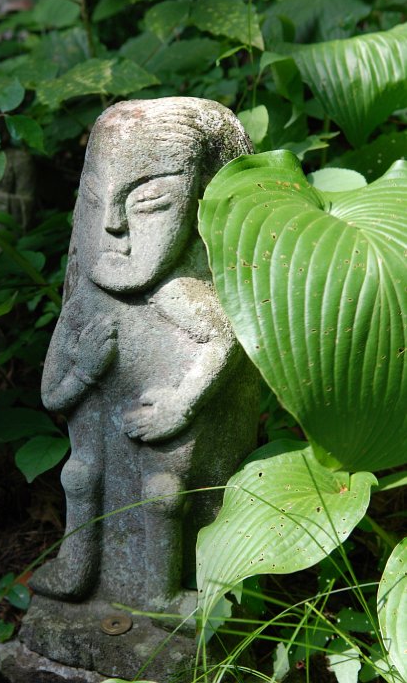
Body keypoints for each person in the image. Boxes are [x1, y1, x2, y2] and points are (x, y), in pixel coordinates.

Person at [30, 97, 259, 614]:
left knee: (164, 495)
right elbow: (51, 394)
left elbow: (224, 339)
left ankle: (163, 591)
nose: (112, 224)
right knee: (78, 477)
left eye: (149, 202)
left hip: (163, 433)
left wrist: (182, 404)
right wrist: (85, 372)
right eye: (93, 200)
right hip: (96, 443)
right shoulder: (87, 300)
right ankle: (77, 567)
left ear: (198, 203)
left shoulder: (177, 294)